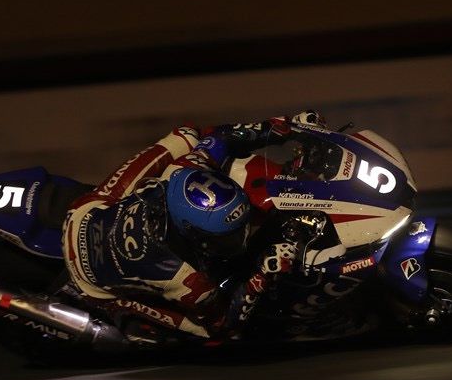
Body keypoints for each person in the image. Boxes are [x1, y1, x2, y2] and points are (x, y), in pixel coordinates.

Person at [61, 112, 328, 340]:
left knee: (186, 135)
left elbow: (220, 138)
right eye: (229, 237)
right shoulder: (184, 279)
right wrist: (260, 276)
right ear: (195, 235)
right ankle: (119, 319)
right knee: (207, 334)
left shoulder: (185, 168)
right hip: (88, 275)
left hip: (91, 210)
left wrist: (286, 126)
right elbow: (223, 324)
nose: (243, 237)